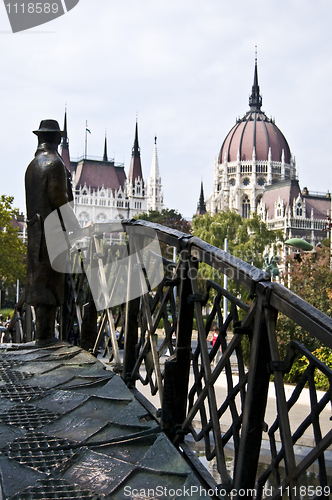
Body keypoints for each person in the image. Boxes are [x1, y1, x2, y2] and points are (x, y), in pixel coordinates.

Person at [25, 119, 78, 346]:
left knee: (40, 282)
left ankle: (42, 334)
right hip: (52, 234)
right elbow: (59, 199)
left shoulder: (32, 165)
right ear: (57, 139)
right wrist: (76, 227)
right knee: (51, 284)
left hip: (35, 234)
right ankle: (46, 337)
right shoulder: (54, 164)